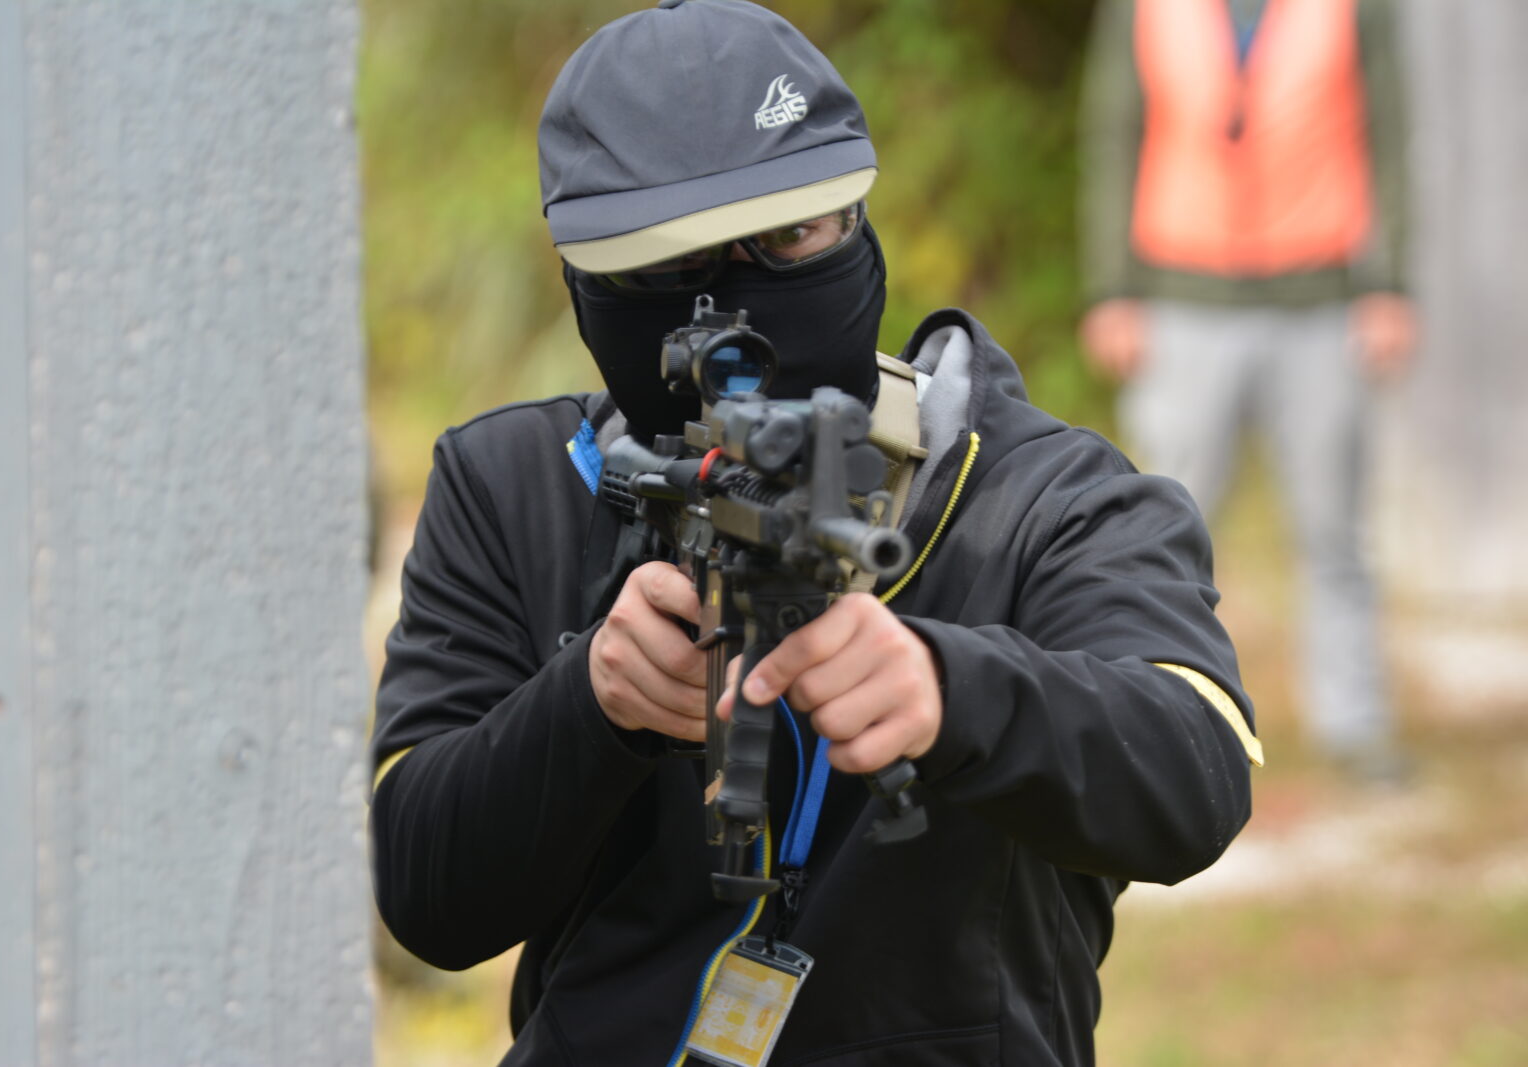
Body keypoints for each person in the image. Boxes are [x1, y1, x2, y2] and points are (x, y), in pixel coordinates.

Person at [371, 2, 1260, 1063]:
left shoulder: (1041, 495)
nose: (737, 304)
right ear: (589, 281)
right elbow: (427, 892)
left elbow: (1197, 769)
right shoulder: (511, 484)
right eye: (667, 269)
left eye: (790, 236)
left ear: (855, 221)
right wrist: (588, 705)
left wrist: (952, 690)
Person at [1077, 0, 1415, 784]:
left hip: (1321, 302)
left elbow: (1391, 135)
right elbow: (1114, 134)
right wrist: (1112, 288)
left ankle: (1356, 728)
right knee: (1161, 531)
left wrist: (1390, 283)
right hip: (1184, 303)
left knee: (1335, 533)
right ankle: (1152, 722)